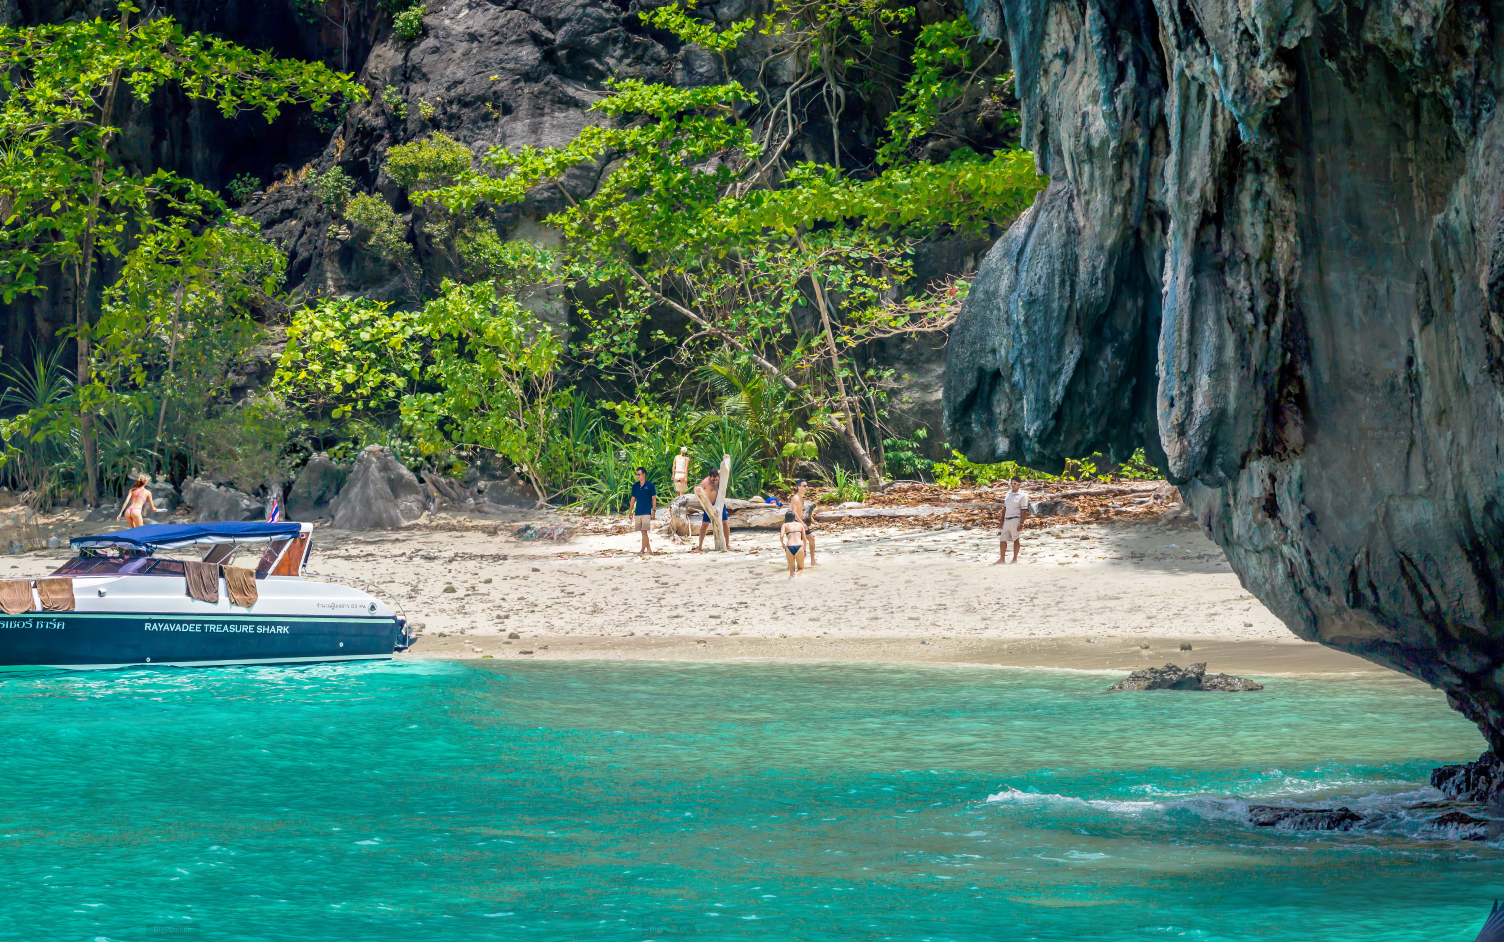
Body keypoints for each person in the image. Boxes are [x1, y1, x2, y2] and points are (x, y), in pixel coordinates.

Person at [693, 468, 731, 552]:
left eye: (716, 479)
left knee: (725, 523)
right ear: (709, 477)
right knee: (704, 526)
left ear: (718, 476)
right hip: (709, 506)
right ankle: (699, 546)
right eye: (712, 479)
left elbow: (726, 468)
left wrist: (726, 458)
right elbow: (697, 490)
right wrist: (696, 489)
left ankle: (727, 544)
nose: (714, 481)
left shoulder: (719, 475)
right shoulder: (705, 482)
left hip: (720, 504)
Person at [995, 478, 1032, 564]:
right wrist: (1001, 520)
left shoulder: (1022, 495)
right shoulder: (1008, 494)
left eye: (1014, 483)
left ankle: (1014, 559)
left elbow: (1024, 510)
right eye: (1011, 483)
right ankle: (1002, 559)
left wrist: (1021, 522)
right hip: (1007, 519)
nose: (1012, 484)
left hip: (1015, 519)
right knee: (1002, 539)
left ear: (1019, 484)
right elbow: (1004, 507)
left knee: (1016, 539)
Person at [626, 467, 658, 557]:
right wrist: (630, 511)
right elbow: (633, 499)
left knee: (644, 531)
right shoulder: (635, 486)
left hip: (647, 511)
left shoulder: (650, 485)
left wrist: (654, 511)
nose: (638, 476)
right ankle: (649, 549)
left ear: (644, 474)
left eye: (639, 474)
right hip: (638, 511)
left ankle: (642, 551)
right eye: (637, 474)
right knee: (643, 532)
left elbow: (653, 498)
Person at [788, 479, 819, 566]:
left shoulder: (801, 498)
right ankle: (789, 565)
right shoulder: (795, 498)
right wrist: (802, 523)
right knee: (795, 544)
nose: (807, 487)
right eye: (804, 486)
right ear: (798, 487)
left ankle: (813, 561)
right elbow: (794, 512)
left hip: (800, 523)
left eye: (807, 486)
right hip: (795, 524)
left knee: (811, 540)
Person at [779, 510, 807, 578]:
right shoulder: (800, 525)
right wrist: (805, 550)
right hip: (799, 546)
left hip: (789, 547)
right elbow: (804, 539)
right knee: (800, 569)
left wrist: (782, 543)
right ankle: (796, 575)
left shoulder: (785, 525)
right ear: (794, 517)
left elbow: (781, 536)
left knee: (791, 571)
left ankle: (792, 579)